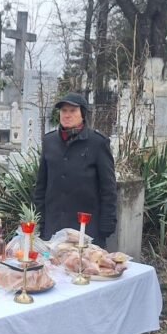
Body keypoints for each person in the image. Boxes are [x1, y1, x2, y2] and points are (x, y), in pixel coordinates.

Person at [33, 92, 118, 243]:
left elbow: (108, 188)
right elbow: (41, 186)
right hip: (54, 226)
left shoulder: (97, 143)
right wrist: (40, 220)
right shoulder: (49, 141)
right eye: (64, 111)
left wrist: (107, 225)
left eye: (72, 111)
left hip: (86, 228)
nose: (67, 115)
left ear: (83, 114)